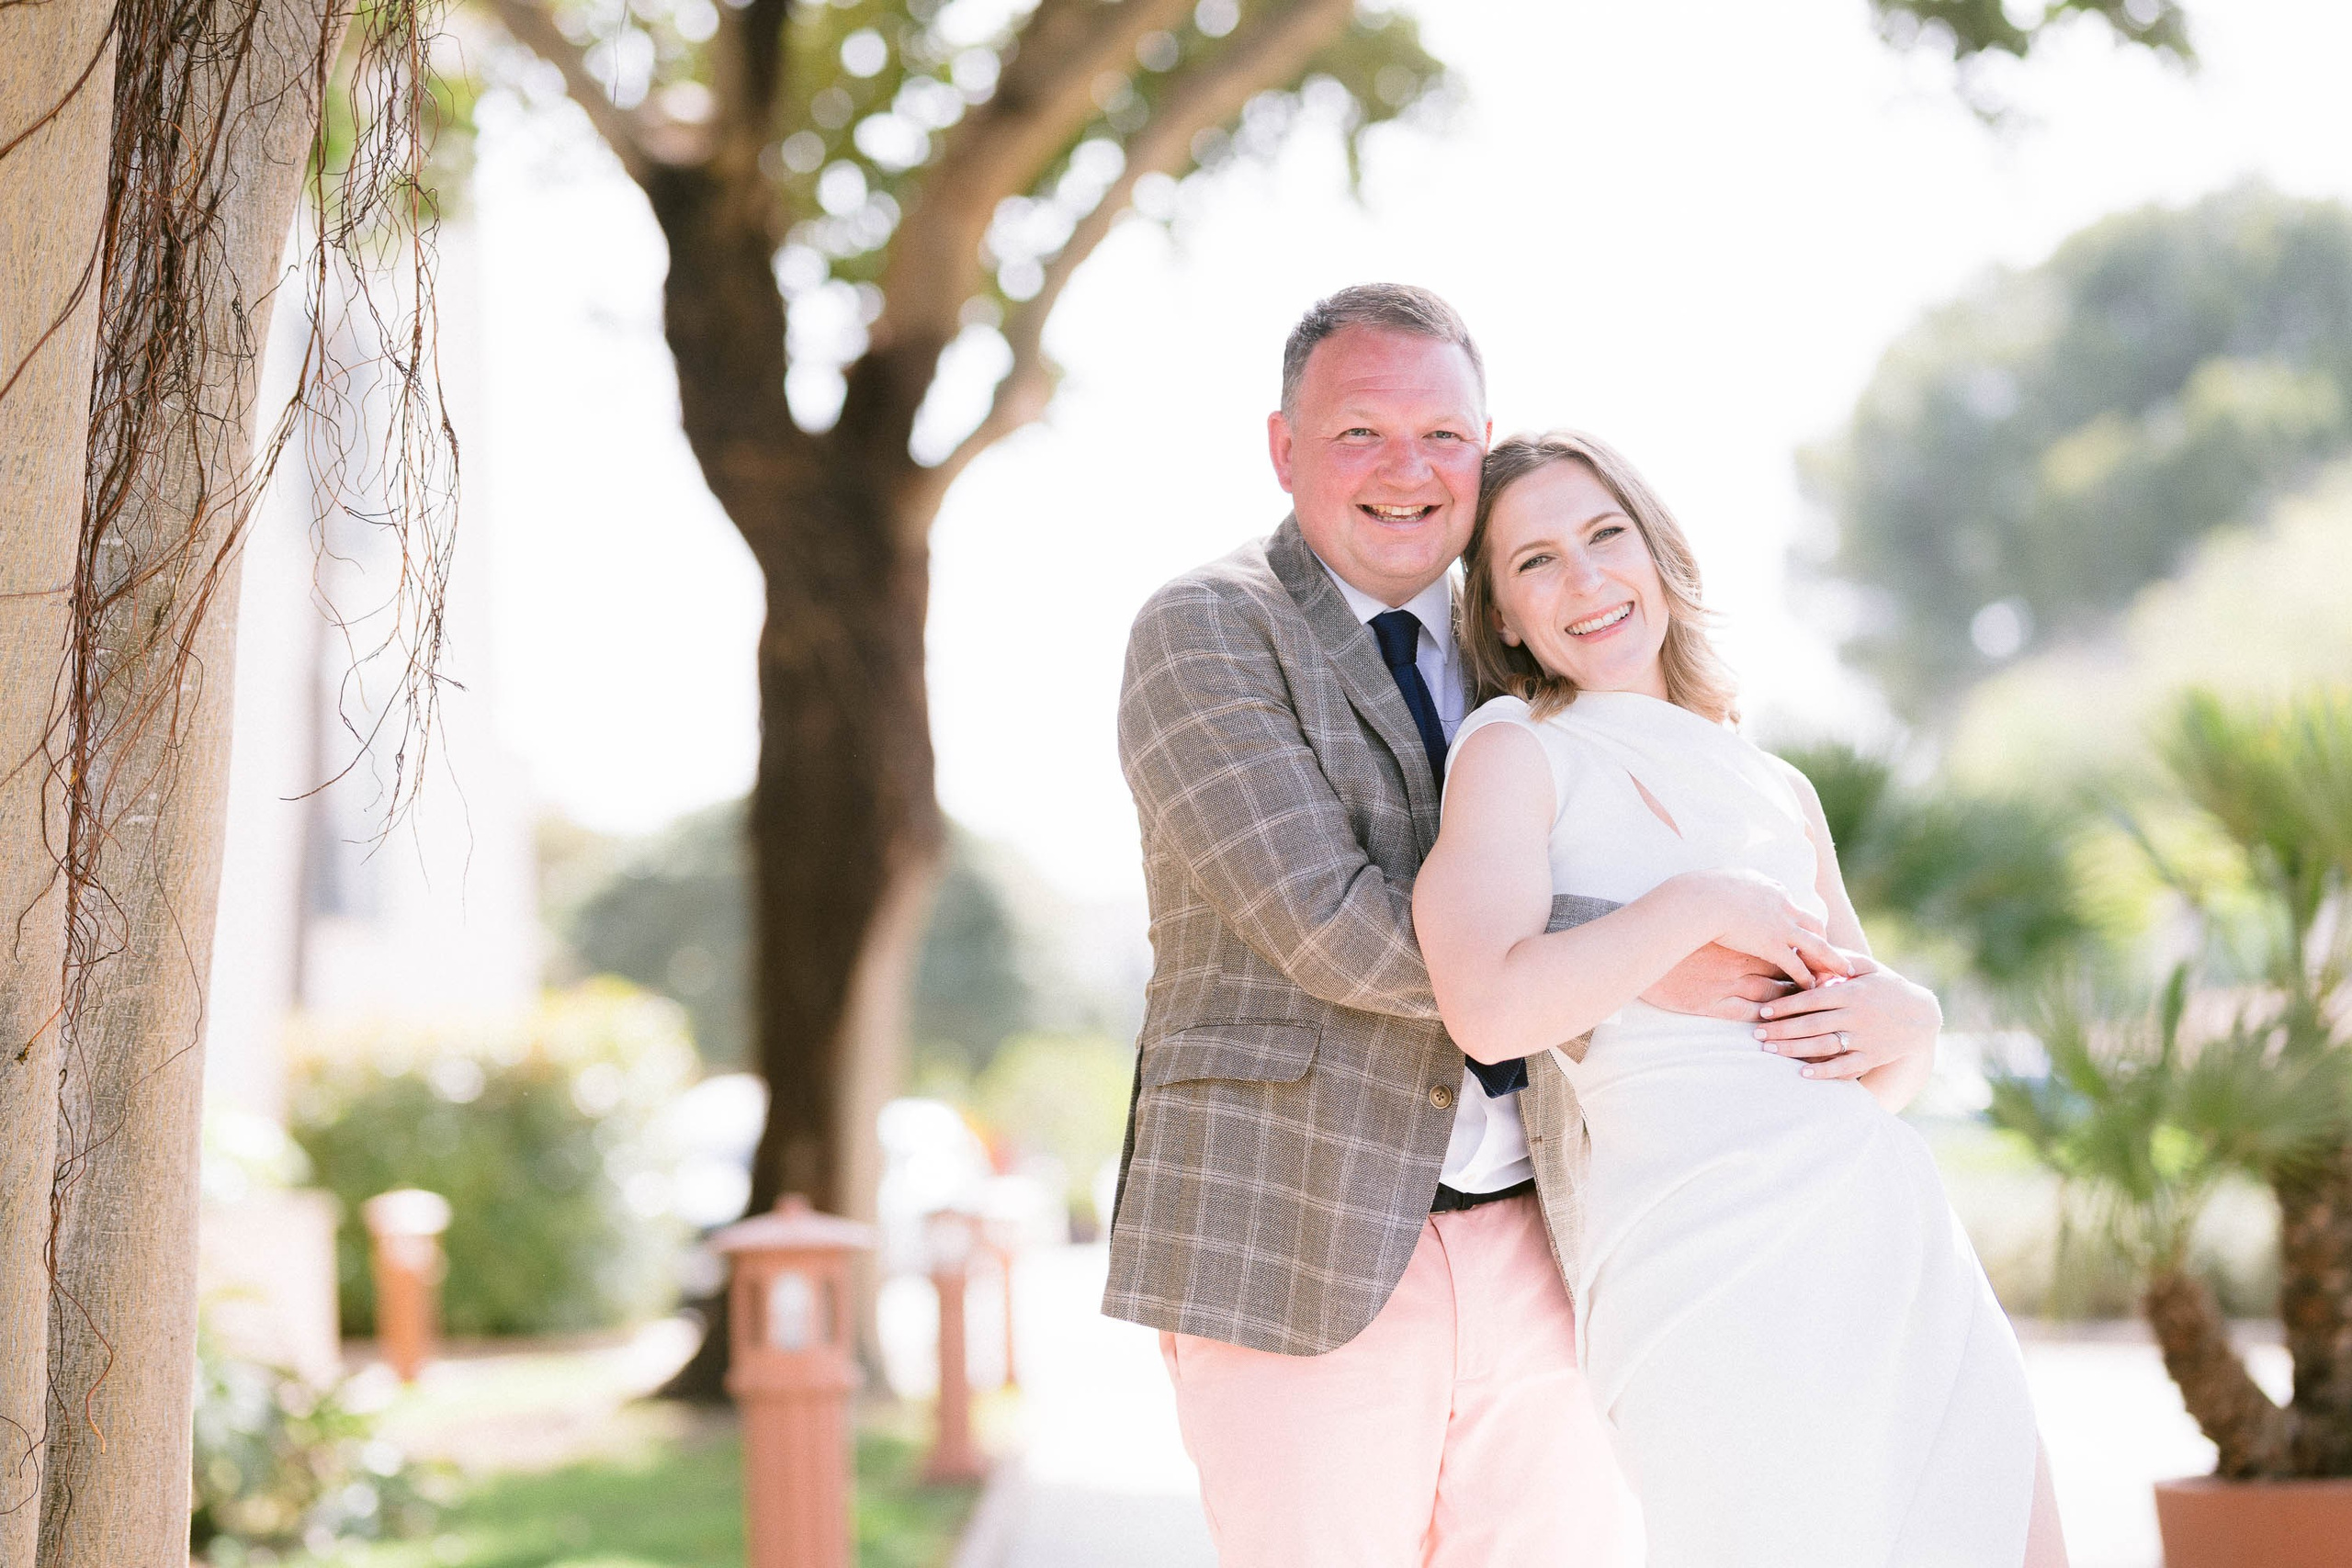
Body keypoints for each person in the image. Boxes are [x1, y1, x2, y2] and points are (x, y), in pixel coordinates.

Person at [1103, 284, 1945, 1567]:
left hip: (1546, 1229)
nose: (1408, 469)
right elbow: (1331, 926)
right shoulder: (1208, 628)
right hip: (1299, 1243)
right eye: (1359, 433)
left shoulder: (1524, 642)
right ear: (1284, 446)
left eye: (1443, 435)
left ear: (1481, 441)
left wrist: (1883, 1007)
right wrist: (1661, 950)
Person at [1413, 429, 2069, 1567]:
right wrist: (1697, 902)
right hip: (1701, 1265)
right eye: (1536, 562)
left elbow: (1875, 1061)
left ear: (1658, 555)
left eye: (1605, 536)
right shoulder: (1515, 750)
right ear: (1503, 617)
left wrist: (1913, 1020)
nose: (1585, 580)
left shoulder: (1775, 781)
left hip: (1881, 1235)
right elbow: (1487, 1006)